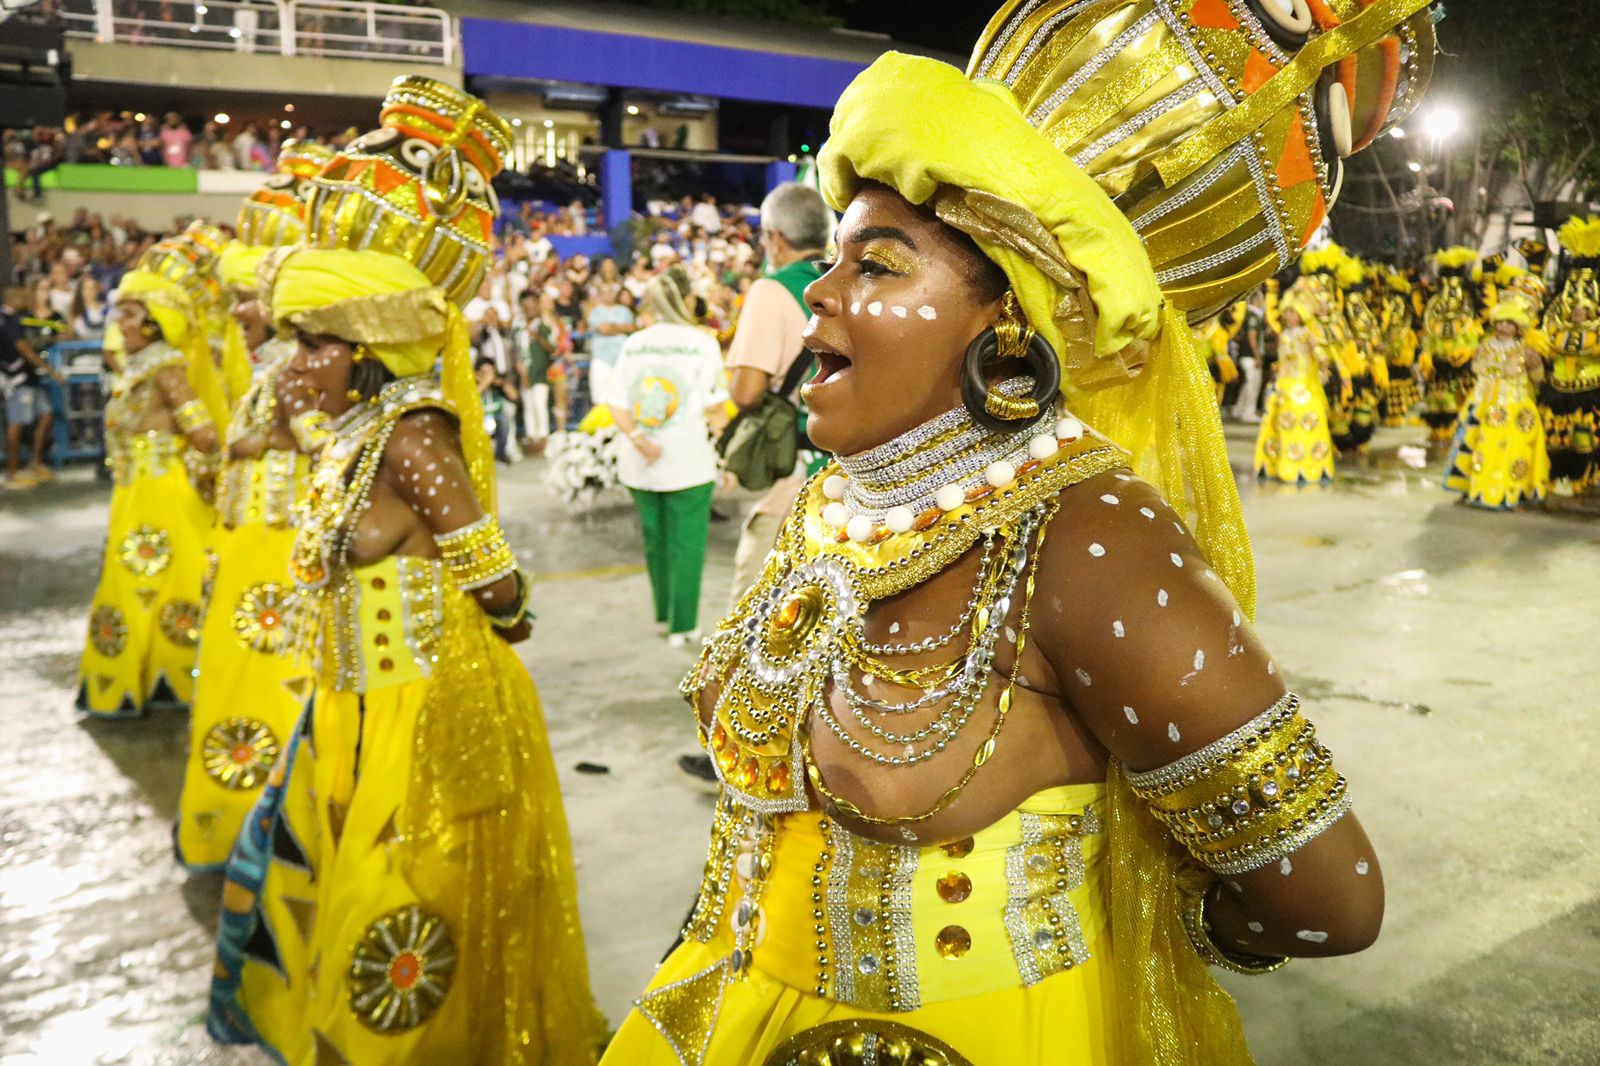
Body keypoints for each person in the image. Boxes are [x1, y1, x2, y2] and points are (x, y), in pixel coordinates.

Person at [601, 0, 1434, 1060]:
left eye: (879, 263)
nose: (820, 295)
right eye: (834, 257)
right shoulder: (834, 503)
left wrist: (1131, 925)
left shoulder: (1091, 542)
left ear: (1007, 316)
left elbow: (1328, 897)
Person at [205, 247, 602, 1066]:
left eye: (315, 343)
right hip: (351, 702)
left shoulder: (414, 436)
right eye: (295, 342)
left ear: (367, 349)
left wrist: (498, 625)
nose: (299, 363)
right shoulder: (354, 436)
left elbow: (493, 575)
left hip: (423, 705)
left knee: (407, 894)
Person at [174, 239, 309, 871]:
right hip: (252, 543)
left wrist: (266, 439)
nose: (235, 314)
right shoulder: (270, 369)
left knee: (265, 675)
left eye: (245, 299)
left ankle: (273, 804)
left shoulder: (299, 369)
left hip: (277, 548)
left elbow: (325, 441)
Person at [75, 242, 226, 717]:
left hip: (162, 490)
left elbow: (204, 434)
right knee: (134, 578)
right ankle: (141, 677)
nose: (119, 323)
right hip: (134, 492)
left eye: (129, 314)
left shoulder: (167, 369)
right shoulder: (139, 366)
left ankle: (171, 676)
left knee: (164, 578)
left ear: (154, 323)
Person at [603, 269, 728, 647]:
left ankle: (663, 613)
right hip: (687, 459)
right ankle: (683, 625)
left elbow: (616, 402)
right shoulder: (703, 344)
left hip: (640, 462)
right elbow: (717, 409)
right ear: (687, 299)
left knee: (655, 541)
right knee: (687, 545)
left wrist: (641, 440)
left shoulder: (635, 344)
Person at [724, 182, 832, 603]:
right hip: (851, 465)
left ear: (776, 237)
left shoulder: (771, 290)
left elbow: (747, 392)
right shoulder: (847, 280)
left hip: (799, 466)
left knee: (751, 607)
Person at [1445, 303, 1550, 508]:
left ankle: (1512, 492)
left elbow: (1538, 379)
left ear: (1518, 327)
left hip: (1514, 408)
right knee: (1475, 446)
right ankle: (1474, 489)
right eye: (1500, 322)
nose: (1503, 327)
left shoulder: (1527, 351)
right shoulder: (1485, 346)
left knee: (1513, 451)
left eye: (1509, 323)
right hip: (1483, 404)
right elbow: (1478, 373)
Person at [1539, 215, 1600, 497]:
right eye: (1574, 310)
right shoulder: (1556, 328)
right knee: (1559, 435)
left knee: (1586, 434)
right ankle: (1560, 472)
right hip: (1561, 385)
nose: (1577, 313)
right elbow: (1550, 341)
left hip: (1590, 386)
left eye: (1583, 311)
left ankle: (1586, 475)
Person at [1255, 299, 1334, 485]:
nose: (1288, 317)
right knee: (1276, 423)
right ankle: (1276, 465)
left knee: (1303, 423)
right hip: (1283, 387)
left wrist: (1322, 371)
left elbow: (1321, 355)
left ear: (1301, 315)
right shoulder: (1284, 335)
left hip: (1302, 387)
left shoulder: (1307, 334)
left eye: (1293, 313)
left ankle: (1305, 466)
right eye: (1287, 313)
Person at [2, 285, 66, 489]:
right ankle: (12, 473)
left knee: (46, 414)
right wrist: (49, 370)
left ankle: (35, 463)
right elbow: (23, 348)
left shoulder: (16, 318)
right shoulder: (9, 320)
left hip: (28, 377)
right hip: (17, 378)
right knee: (17, 422)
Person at [1421, 248, 1483, 444]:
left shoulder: (1468, 316)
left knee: (1457, 404)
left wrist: (1466, 352)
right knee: (1437, 404)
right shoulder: (1434, 316)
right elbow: (1429, 339)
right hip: (1439, 367)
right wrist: (1427, 355)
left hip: (1460, 369)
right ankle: (1439, 435)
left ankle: (1457, 438)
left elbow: (1473, 340)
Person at [584, 281, 635, 408]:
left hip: (621, 358)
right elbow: (602, 328)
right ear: (600, 295)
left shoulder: (624, 310)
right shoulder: (596, 311)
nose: (609, 295)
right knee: (600, 396)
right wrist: (618, 328)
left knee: (620, 395)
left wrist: (613, 327)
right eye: (605, 292)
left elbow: (630, 327)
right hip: (601, 358)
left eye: (611, 292)